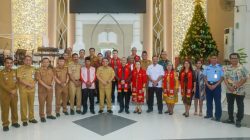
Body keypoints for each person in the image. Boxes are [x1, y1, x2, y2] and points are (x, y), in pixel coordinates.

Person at [223, 53, 248, 127]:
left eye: (235, 58)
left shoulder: (242, 68)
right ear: (230, 59)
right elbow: (225, 78)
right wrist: (228, 86)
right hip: (229, 90)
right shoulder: (226, 68)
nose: (234, 59)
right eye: (232, 58)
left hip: (240, 90)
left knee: (240, 105)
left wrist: (236, 86)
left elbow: (245, 78)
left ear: (238, 59)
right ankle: (230, 119)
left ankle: (238, 120)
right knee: (230, 105)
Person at [0, 57, 20, 131]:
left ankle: (14, 122)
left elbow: (17, 82)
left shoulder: (15, 72)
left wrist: (15, 90)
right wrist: (10, 91)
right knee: (5, 110)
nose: (9, 64)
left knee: (14, 108)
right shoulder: (1, 73)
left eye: (11, 63)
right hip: (5, 95)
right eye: (7, 63)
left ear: (12, 64)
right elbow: (2, 84)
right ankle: (5, 124)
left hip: (14, 94)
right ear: (4, 63)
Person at [17, 55, 38, 126]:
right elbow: (19, 79)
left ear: (31, 61)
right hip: (23, 89)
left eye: (29, 60)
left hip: (31, 89)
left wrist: (33, 84)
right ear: (24, 61)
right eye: (27, 60)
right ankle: (24, 119)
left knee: (31, 104)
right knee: (23, 105)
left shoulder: (33, 68)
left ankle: (31, 118)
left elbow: (36, 78)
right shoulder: (20, 69)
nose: (28, 61)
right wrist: (29, 85)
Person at [203, 54, 224, 121]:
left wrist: (216, 85)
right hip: (208, 85)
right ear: (210, 59)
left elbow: (222, 77)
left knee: (217, 101)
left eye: (215, 58)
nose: (213, 59)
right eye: (212, 58)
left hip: (217, 85)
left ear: (217, 59)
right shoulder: (207, 67)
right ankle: (209, 114)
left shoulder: (220, 67)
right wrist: (208, 85)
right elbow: (204, 77)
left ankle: (218, 116)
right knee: (208, 101)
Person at [36, 58, 56, 122]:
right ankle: (42, 116)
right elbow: (39, 80)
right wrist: (47, 86)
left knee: (49, 102)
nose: (46, 63)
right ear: (41, 63)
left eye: (47, 62)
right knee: (42, 103)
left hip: (50, 89)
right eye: (44, 62)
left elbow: (53, 77)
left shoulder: (51, 70)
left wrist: (52, 84)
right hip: (42, 90)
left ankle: (49, 114)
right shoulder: (38, 70)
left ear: (49, 63)